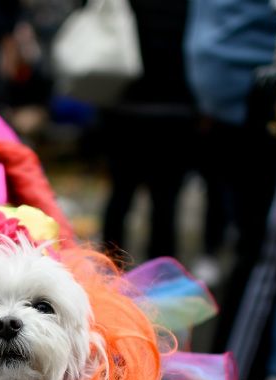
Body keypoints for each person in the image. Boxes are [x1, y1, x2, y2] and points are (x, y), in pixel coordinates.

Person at [185, 0, 276, 380]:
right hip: (274, 104)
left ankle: (254, 372)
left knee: (264, 250)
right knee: (268, 254)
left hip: (231, 97)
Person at [98, 0, 197, 265]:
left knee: (121, 195)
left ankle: (109, 270)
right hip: (176, 109)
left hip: (125, 106)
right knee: (165, 202)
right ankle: (161, 276)